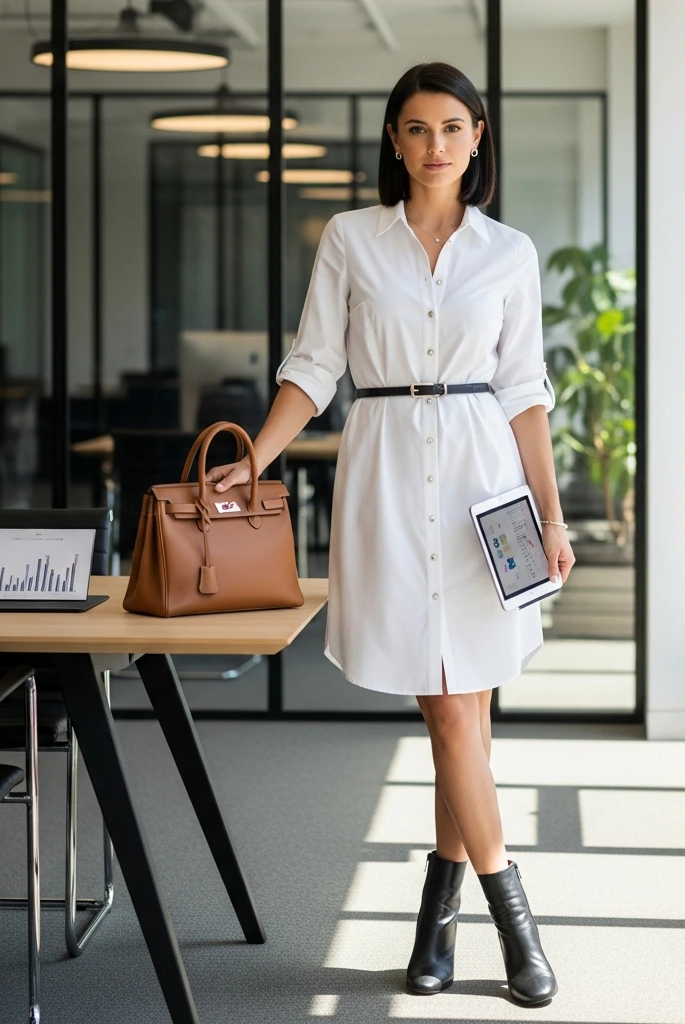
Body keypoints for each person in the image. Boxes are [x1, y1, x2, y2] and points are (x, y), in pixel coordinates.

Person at [206, 61, 575, 1006]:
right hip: (383, 474)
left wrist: (552, 508)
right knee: (450, 708)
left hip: (484, 489)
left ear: (478, 137)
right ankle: (509, 922)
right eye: (416, 129)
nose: (435, 146)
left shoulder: (510, 253)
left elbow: (526, 392)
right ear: (395, 141)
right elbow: (315, 364)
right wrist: (259, 459)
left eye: (452, 128)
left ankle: (440, 921)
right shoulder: (350, 239)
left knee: (467, 712)